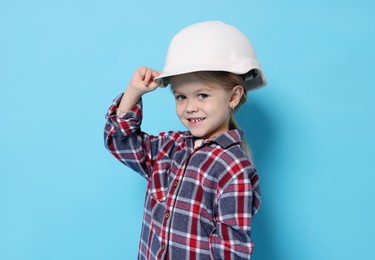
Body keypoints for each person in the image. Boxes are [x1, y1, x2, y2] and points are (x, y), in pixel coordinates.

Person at [104, 21, 267, 260]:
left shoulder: (233, 169)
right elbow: (121, 143)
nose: (190, 107)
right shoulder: (169, 148)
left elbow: (231, 249)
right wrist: (133, 92)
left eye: (202, 95)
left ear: (233, 96)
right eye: (181, 97)